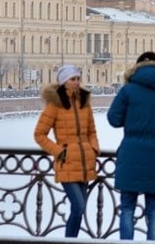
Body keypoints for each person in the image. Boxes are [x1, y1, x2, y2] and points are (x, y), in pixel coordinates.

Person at [108, 52, 155, 241]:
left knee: (127, 208)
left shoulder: (128, 90)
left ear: (137, 67)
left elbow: (113, 119)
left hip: (131, 156)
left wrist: (132, 118)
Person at [33, 65, 100, 238]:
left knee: (79, 210)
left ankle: (72, 239)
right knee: (79, 207)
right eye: (72, 79)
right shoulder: (55, 104)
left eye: (78, 79)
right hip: (67, 163)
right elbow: (40, 134)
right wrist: (59, 151)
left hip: (86, 163)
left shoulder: (84, 102)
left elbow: (92, 131)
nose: (77, 82)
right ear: (64, 82)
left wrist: (94, 148)